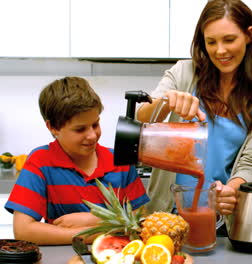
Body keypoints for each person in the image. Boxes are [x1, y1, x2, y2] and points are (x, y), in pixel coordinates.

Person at [137, 0, 252, 215]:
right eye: (211, 42)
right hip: (167, 214)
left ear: (249, 35)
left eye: (229, 40)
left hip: (218, 216)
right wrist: (166, 101)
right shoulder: (184, 73)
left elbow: (250, 163)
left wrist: (229, 191)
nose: (220, 51)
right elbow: (143, 117)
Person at [4, 77, 149, 245]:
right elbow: (23, 231)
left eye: (95, 124)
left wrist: (93, 220)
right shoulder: (40, 161)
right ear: (53, 127)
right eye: (80, 129)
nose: (92, 135)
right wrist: (95, 234)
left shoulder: (120, 162)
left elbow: (141, 224)